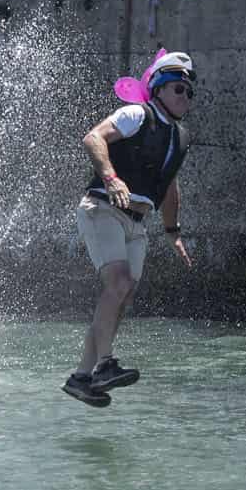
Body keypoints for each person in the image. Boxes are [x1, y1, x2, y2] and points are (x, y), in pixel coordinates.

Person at [63, 51, 197, 408]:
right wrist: (110, 178)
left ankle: (81, 378)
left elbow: (169, 186)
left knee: (121, 297)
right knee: (118, 283)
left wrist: (173, 231)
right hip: (103, 208)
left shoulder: (180, 137)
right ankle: (106, 365)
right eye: (178, 89)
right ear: (158, 88)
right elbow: (93, 138)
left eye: (189, 92)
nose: (185, 97)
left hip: (137, 224)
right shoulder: (137, 114)